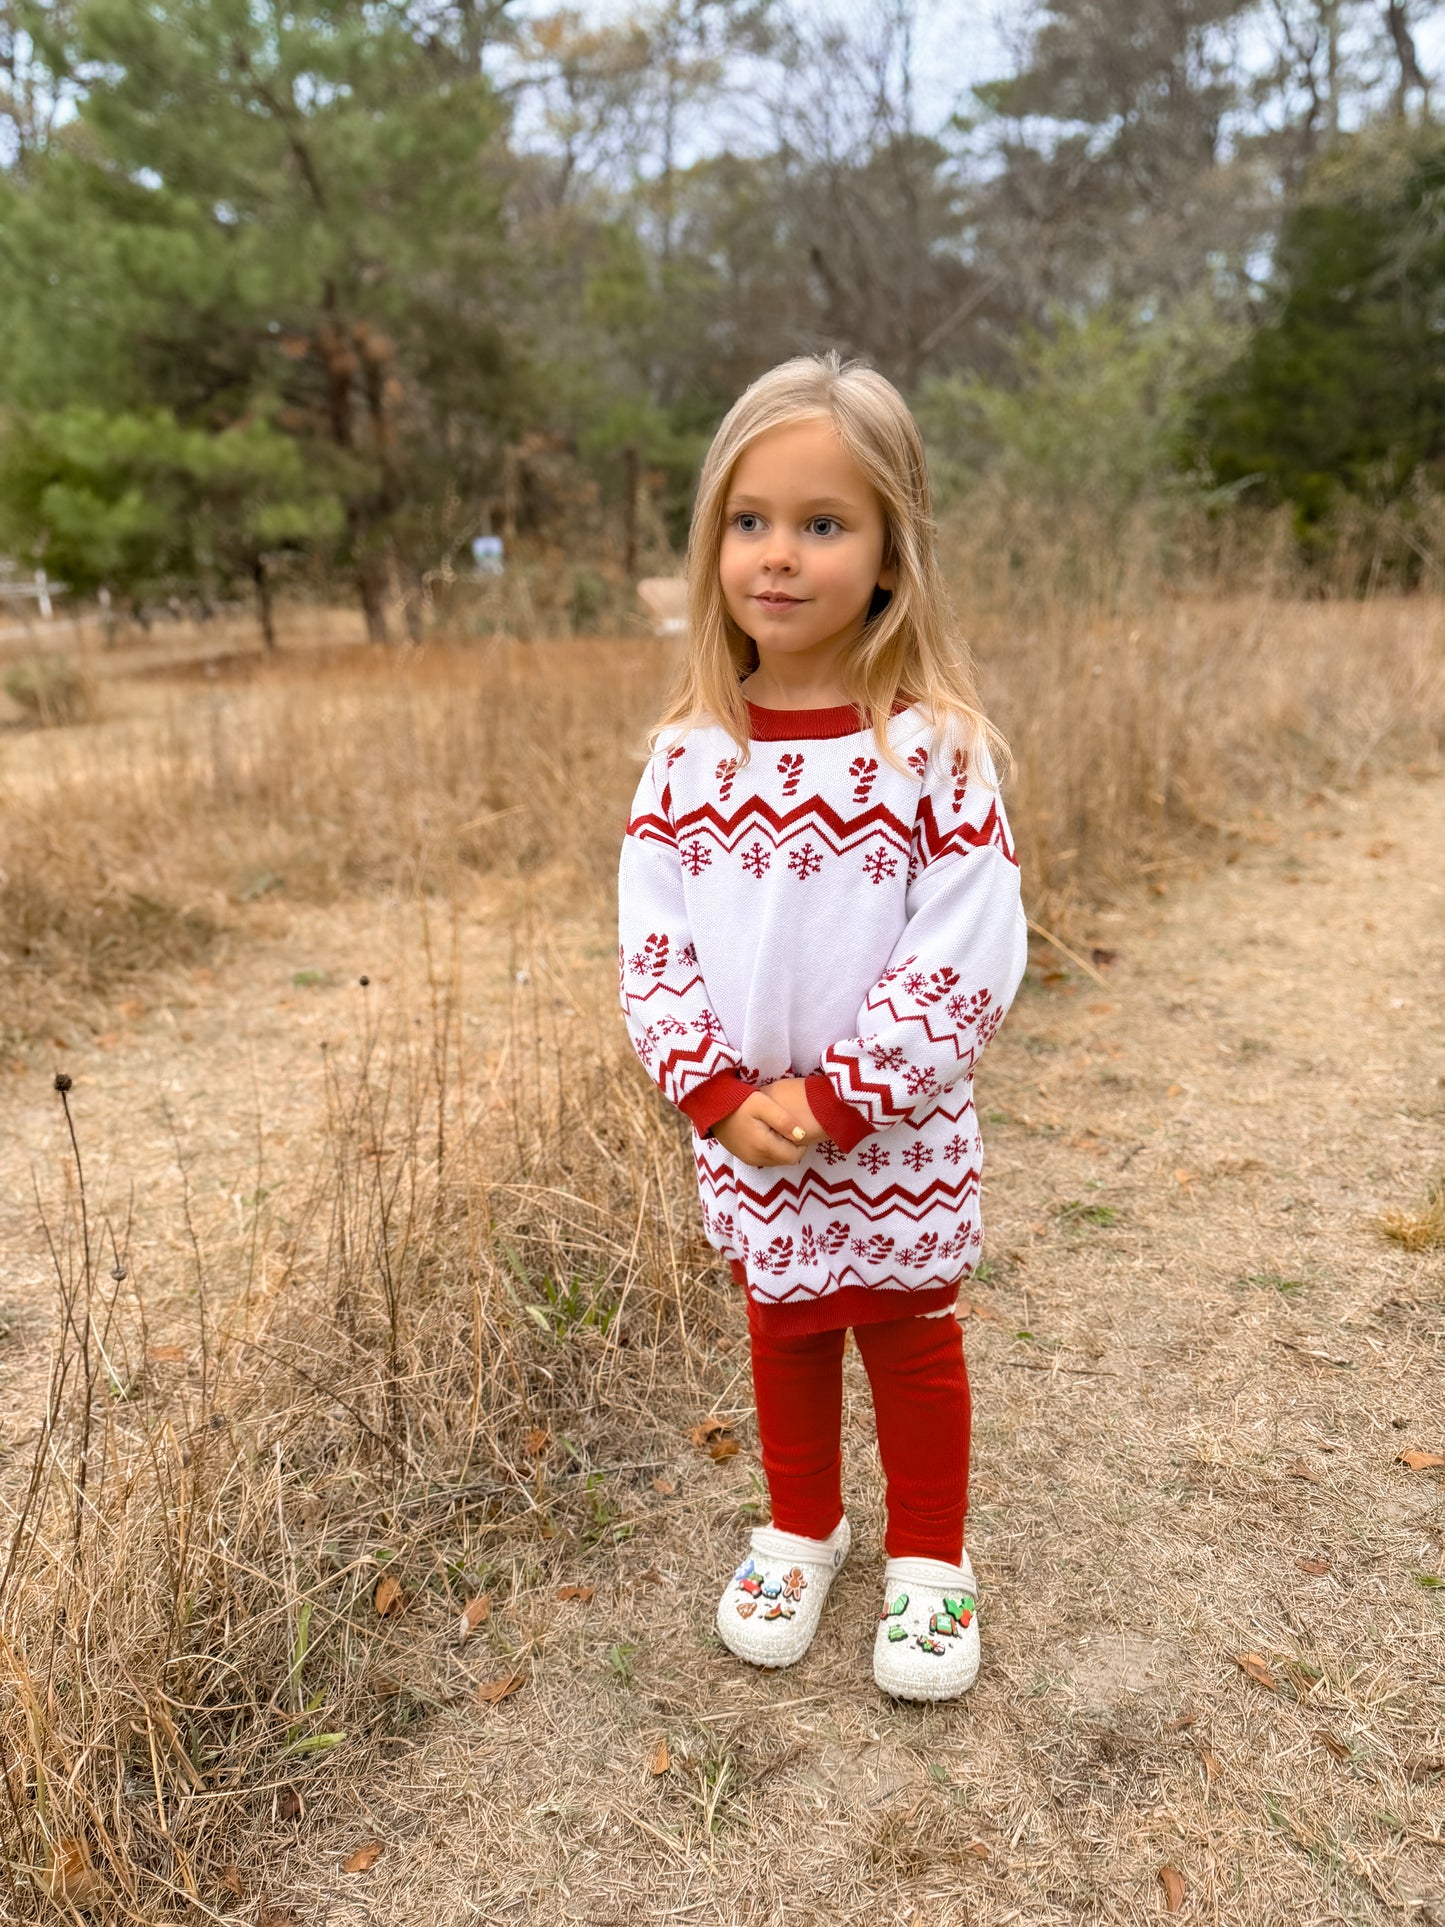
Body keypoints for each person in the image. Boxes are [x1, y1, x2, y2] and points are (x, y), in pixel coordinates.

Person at [616, 351, 1028, 1702]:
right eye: (749, 522)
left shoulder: (932, 751)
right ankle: (800, 1525)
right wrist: (718, 1091)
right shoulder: (688, 756)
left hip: (884, 1127)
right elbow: (654, 942)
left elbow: (964, 950)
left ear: (890, 554)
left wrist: (844, 1098)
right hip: (743, 1124)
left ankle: (927, 1554)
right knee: (783, 1323)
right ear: (710, 545)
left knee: (908, 1330)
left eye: (821, 523)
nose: (777, 556)